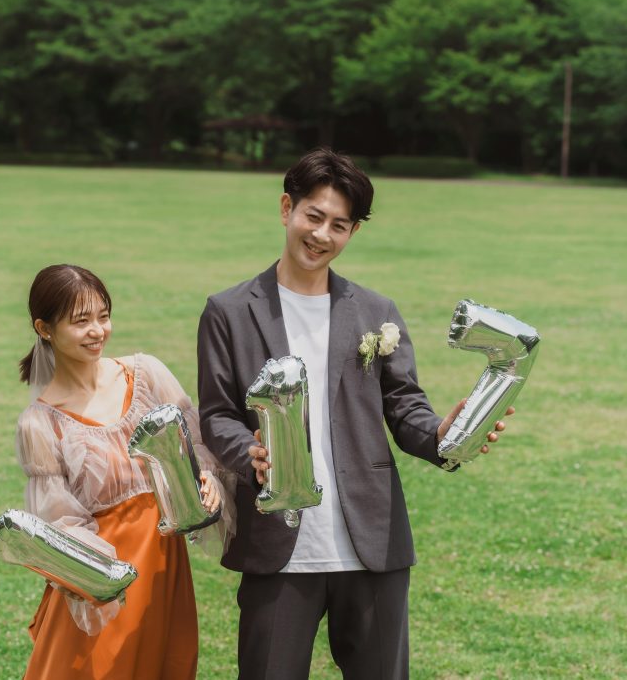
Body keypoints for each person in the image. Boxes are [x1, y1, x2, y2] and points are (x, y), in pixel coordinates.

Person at [196, 148, 512, 680]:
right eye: (314, 216)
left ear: (353, 232)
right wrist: (250, 454)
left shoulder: (375, 311)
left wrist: (443, 431)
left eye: (339, 226)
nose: (322, 235)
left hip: (372, 543)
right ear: (286, 208)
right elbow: (218, 413)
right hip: (277, 544)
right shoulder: (228, 311)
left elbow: (404, 406)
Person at [14, 264, 234, 680]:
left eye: (103, 316)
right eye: (81, 321)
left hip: (163, 565)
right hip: (103, 582)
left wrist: (207, 480)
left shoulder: (147, 374)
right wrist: (105, 580)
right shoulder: (39, 424)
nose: (97, 331)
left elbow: (197, 445)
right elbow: (60, 523)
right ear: (44, 329)